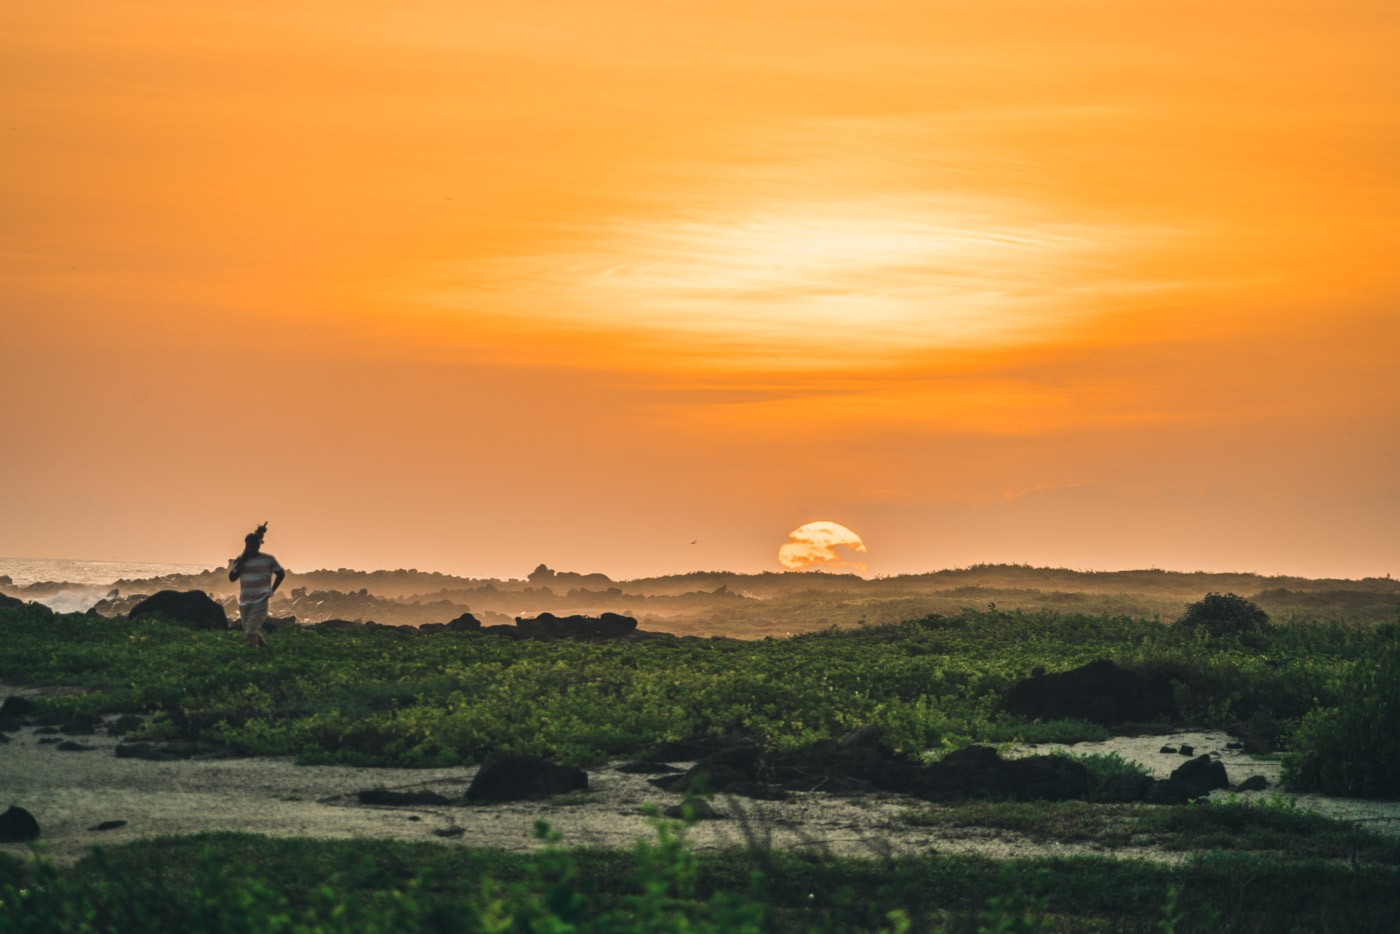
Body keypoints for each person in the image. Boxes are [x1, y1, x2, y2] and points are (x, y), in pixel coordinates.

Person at [228, 528, 285, 648]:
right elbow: (232, 578)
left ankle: (253, 654)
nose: (250, 550)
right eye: (248, 547)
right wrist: (241, 562)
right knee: (250, 631)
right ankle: (266, 650)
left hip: (261, 600)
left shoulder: (268, 559)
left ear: (259, 546)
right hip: (244, 601)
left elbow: (281, 574)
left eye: (253, 547)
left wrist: (272, 590)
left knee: (251, 631)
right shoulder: (241, 560)